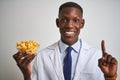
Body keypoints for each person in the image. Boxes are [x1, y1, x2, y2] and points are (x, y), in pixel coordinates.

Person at [13, 2, 118, 80]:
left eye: (75, 20)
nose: (69, 25)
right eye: (64, 20)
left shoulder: (98, 56)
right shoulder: (42, 56)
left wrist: (110, 77)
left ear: (82, 24)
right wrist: (26, 74)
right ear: (57, 22)